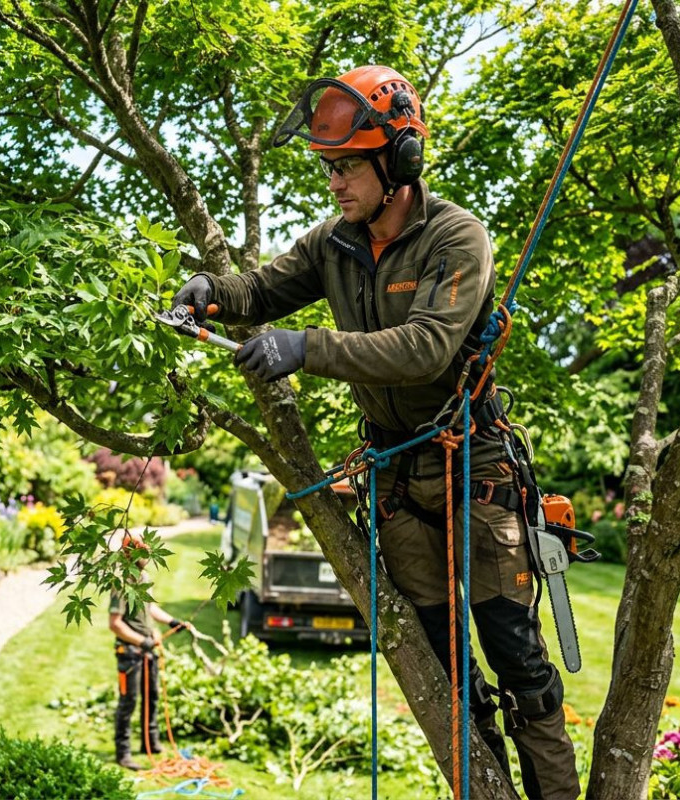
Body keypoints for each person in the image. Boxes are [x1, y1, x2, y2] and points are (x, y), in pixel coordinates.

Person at [171, 65, 579, 799]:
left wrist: (307, 347)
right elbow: (261, 289)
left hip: (472, 469)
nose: (334, 183)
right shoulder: (335, 242)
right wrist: (212, 293)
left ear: (400, 161)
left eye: (348, 166)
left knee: (516, 658)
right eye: (329, 167)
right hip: (397, 486)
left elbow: (425, 346)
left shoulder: (456, 237)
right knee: (445, 666)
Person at [107, 533, 194, 771]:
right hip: (130, 654)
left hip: (147, 650)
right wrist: (140, 641)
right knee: (129, 702)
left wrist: (172, 621)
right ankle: (123, 752)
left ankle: (150, 743)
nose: (147, 557)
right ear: (129, 555)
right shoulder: (121, 583)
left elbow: (150, 607)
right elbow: (115, 623)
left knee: (152, 696)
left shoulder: (143, 577)